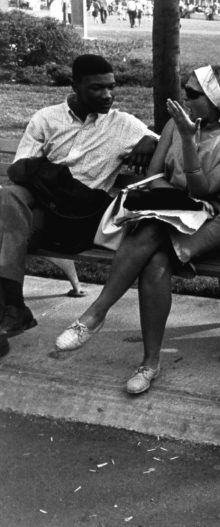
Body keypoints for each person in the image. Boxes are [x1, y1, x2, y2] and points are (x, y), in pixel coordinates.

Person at [54, 65, 220, 395]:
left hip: (210, 217)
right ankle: (149, 363)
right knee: (156, 260)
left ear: (216, 100)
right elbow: (157, 171)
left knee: (152, 231)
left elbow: (202, 190)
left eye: (192, 94)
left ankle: (96, 315)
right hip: (168, 209)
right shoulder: (176, 125)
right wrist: (167, 199)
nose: (184, 99)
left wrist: (189, 139)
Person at [0, 55, 156, 338]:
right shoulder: (47, 118)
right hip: (40, 213)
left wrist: (150, 140)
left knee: (6, 220)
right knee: (10, 197)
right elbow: (20, 169)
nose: (107, 95)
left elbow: (168, 143)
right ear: (75, 86)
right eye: (97, 88)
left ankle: (13, 308)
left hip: (79, 220)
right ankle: (13, 308)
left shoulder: (123, 124)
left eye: (111, 86)